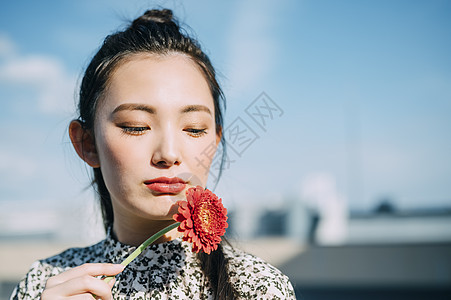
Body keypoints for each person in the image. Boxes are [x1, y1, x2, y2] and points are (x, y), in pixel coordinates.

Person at [11, 9, 296, 300]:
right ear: (87, 143)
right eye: (136, 127)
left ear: (216, 141)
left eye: (194, 129)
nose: (168, 154)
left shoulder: (259, 288)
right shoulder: (45, 284)